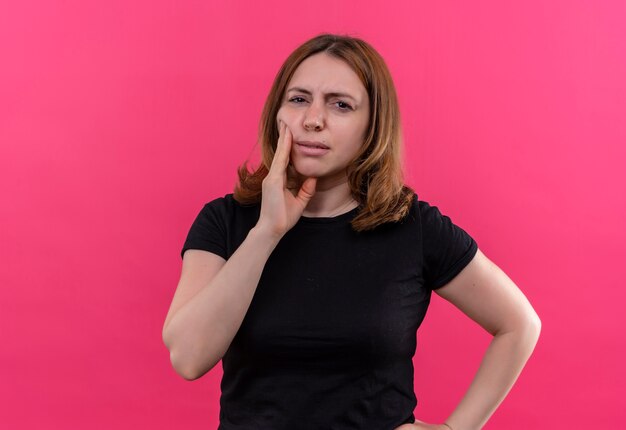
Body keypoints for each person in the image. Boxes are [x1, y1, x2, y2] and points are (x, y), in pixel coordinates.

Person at [162, 33, 541, 430]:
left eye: (341, 105)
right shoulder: (224, 221)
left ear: (372, 126)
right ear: (278, 114)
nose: (313, 119)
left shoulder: (413, 227)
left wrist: (454, 429)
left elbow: (520, 324)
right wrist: (267, 231)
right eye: (299, 99)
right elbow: (188, 358)